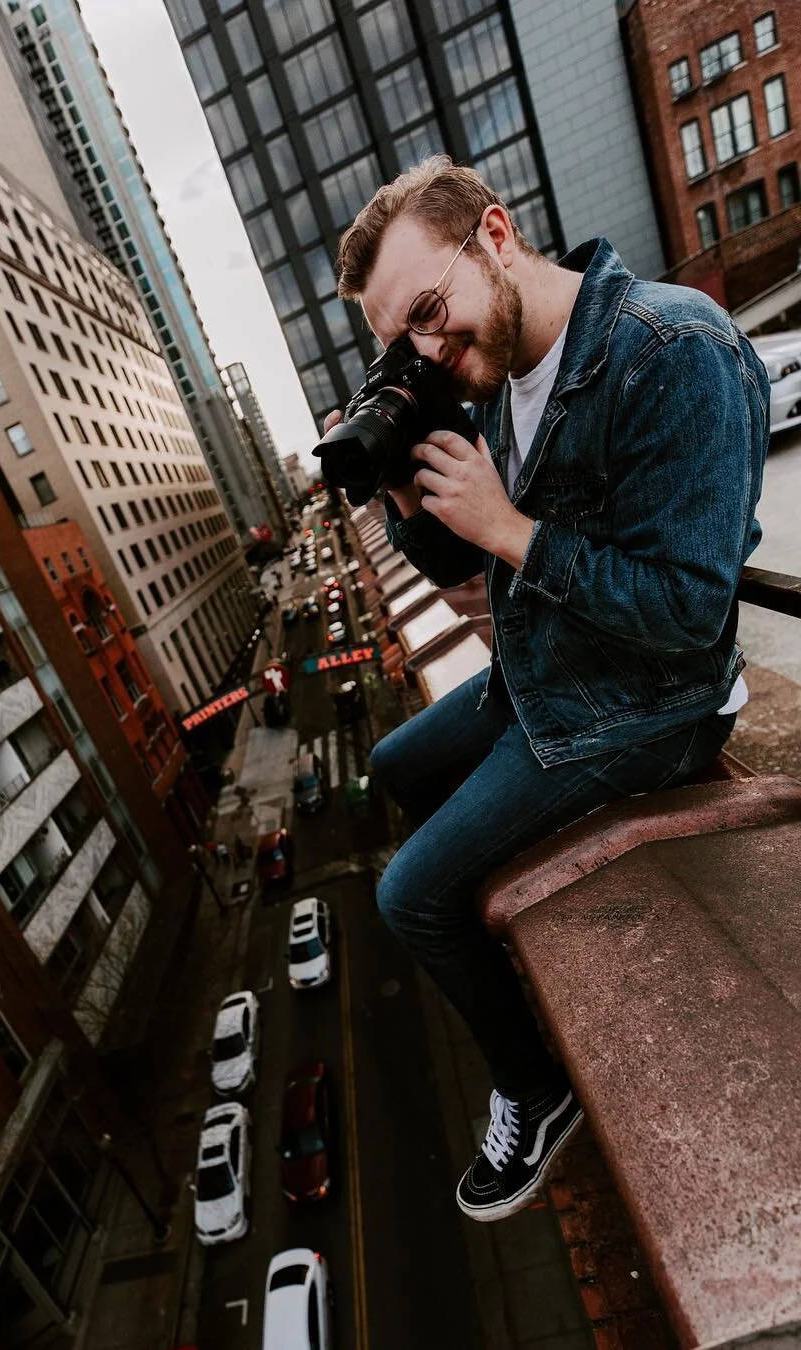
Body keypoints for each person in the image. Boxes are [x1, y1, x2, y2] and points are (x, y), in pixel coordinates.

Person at [324, 157, 769, 1222]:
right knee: (392, 765)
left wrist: (510, 530)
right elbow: (445, 564)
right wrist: (397, 478)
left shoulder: (674, 354)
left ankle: (539, 1088)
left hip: (646, 704)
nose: (428, 349)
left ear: (496, 233)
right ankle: (506, 916)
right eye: (402, 342)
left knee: (411, 896)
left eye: (430, 313)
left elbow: (688, 615)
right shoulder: (494, 374)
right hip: (548, 669)